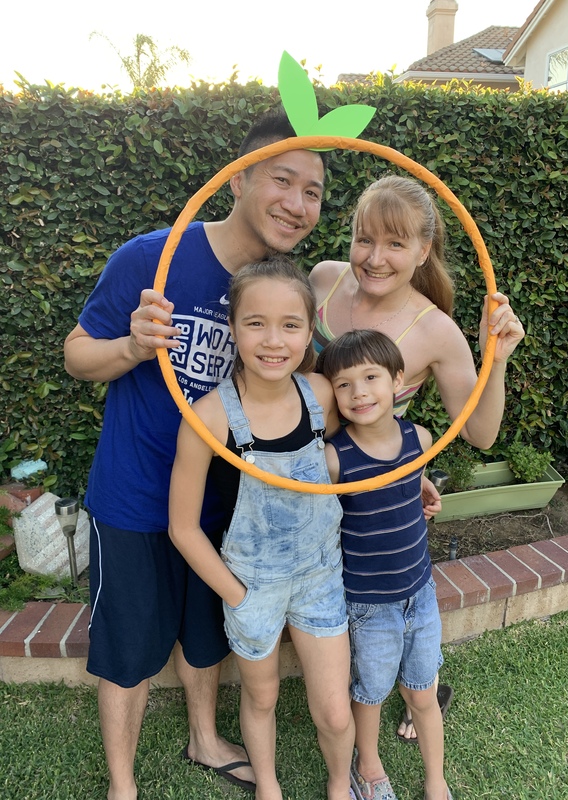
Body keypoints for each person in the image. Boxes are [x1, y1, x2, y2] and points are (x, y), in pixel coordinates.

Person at [63, 108, 328, 800]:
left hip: (230, 507)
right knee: (127, 645)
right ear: (238, 179)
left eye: (314, 192)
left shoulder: (284, 290)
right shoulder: (153, 256)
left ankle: (205, 737)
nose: (298, 204)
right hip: (136, 497)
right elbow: (76, 354)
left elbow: (321, 392)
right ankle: (122, 784)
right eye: (284, 180)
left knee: (204, 633)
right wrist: (128, 347)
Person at [309, 174, 524, 743]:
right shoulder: (324, 281)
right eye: (363, 239)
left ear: (423, 250)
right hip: (306, 478)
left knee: (388, 595)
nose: (374, 258)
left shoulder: (435, 330)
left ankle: (420, 690)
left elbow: (479, 432)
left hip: (374, 493)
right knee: (335, 599)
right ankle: (356, 694)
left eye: (395, 244)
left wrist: (493, 359)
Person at [168, 257, 357, 800]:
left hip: (321, 573)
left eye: (290, 325)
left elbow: (350, 456)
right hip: (253, 582)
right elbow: (182, 526)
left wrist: (408, 481)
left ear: (309, 329)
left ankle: (340, 786)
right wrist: (239, 595)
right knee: (262, 697)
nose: (273, 340)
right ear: (232, 326)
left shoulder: (321, 396)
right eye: (255, 323)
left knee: (335, 709)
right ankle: (268, 786)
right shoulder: (210, 416)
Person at [318, 328, 453, 800]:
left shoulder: (421, 437)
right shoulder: (335, 459)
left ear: (398, 381)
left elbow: (408, 486)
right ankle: (369, 766)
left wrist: (421, 493)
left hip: (420, 591)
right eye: (344, 384)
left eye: (371, 377)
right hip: (369, 602)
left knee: (422, 691)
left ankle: (436, 779)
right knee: (370, 691)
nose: (359, 393)